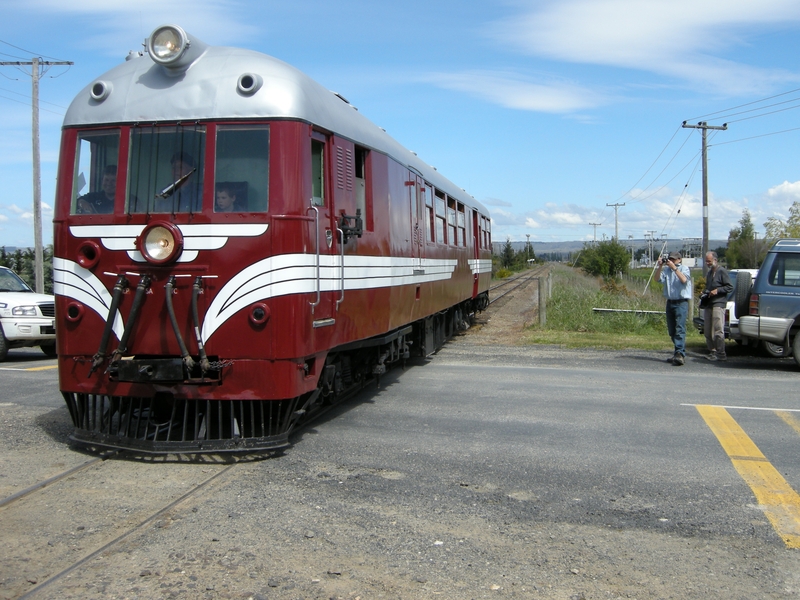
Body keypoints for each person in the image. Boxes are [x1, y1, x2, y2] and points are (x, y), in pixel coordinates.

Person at [655, 250, 692, 365]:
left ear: (679, 260)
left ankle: (680, 353)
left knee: (680, 328)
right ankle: (677, 351)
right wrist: (660, 266)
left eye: (673, 259)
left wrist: (675, 269)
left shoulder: (684, 269)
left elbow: (684, 280)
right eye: (670, 259)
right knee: (672, 330)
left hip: (681, 302)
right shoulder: (666, 270)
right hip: (670, 302)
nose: (671, 261)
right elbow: (657, 279)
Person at [703, 251, 733, 361]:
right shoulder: (710, 273)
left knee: (718, 329)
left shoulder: (722, 272)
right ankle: (712, 351)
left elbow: (730, 287)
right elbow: (708, 287)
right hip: (709, 304)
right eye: (706, 261)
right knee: (707, 330)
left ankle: (721, 353)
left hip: (719, 304)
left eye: (709, 261)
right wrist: (705, 293)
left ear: (715, 260)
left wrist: (718, 290)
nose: (707, 263)